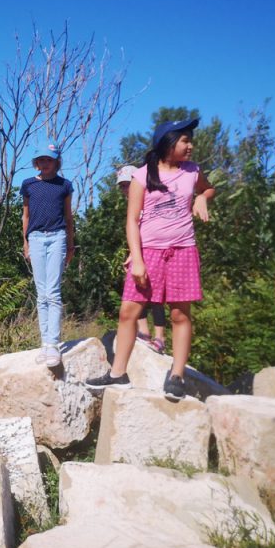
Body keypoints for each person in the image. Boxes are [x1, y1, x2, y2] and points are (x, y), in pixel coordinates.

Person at [88, 118, 215, 401]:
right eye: (184, 140)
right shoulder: (142, 176)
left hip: (182, 250)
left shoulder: (192, 171)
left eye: (189, 139)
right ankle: (118, 374)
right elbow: (132, 221)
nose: (190, 145)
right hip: (149, 253)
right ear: (167, 143)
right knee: (128, 312)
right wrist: (137, 258)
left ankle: (177, 376)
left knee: (180, 314)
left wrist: (202, 197)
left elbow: (208, 188)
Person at [21, 143, 75, 368]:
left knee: (53, 292)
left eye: (49, 160)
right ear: (36, 163)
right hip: (35, 238)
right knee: (41, 293)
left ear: (56, 162)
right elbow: (25, 216)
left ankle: (53, 343)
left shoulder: (64, 185)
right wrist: (25, 243)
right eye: (41, 160)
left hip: (57, 237)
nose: (45, 164)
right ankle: (45, 343)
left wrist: (70, 245)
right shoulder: (29, 185)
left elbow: (69, 217)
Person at [118, 164, 167, 354]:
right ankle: (144, 333)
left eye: (127, 184)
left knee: (156, 296)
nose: (124, 189)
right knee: (136, 290)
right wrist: (133, 254)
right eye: (122, 186)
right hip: (139, 252)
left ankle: (160, 337)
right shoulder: (133, 204)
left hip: (155, 251)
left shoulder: (150, 200)